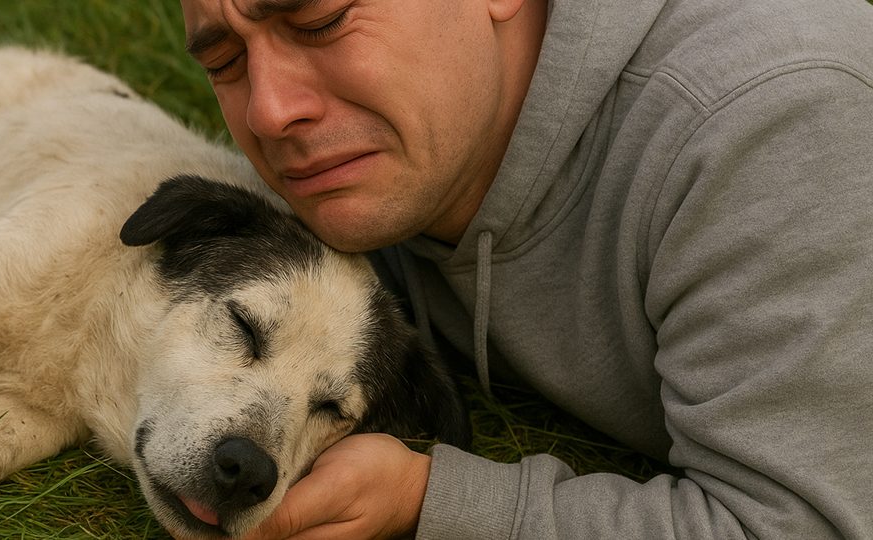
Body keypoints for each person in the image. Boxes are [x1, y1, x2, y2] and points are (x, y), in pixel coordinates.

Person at [178, 0, 873, 538]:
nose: (270, 111)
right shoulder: (393, 150)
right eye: (224, 62)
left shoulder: (772, 128)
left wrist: (430, 501)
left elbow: (794, 525)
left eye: (321, 20)